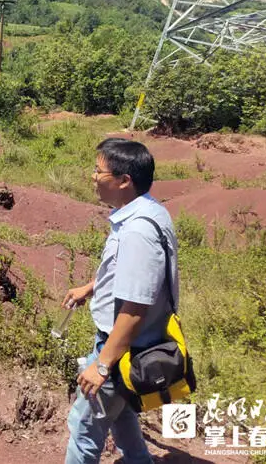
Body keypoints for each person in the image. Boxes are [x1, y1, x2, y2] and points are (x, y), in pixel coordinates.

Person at [63, 138, 178, 464]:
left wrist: (102, 366)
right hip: (129, 347)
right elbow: (131, 275)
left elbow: (135, 308)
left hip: (122, 348)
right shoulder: (147, 211)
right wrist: (91, 287)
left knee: (84, 427)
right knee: (120, 413)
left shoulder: (138, 231)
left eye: (98, 172)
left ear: (124, 180)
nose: (93, 177)